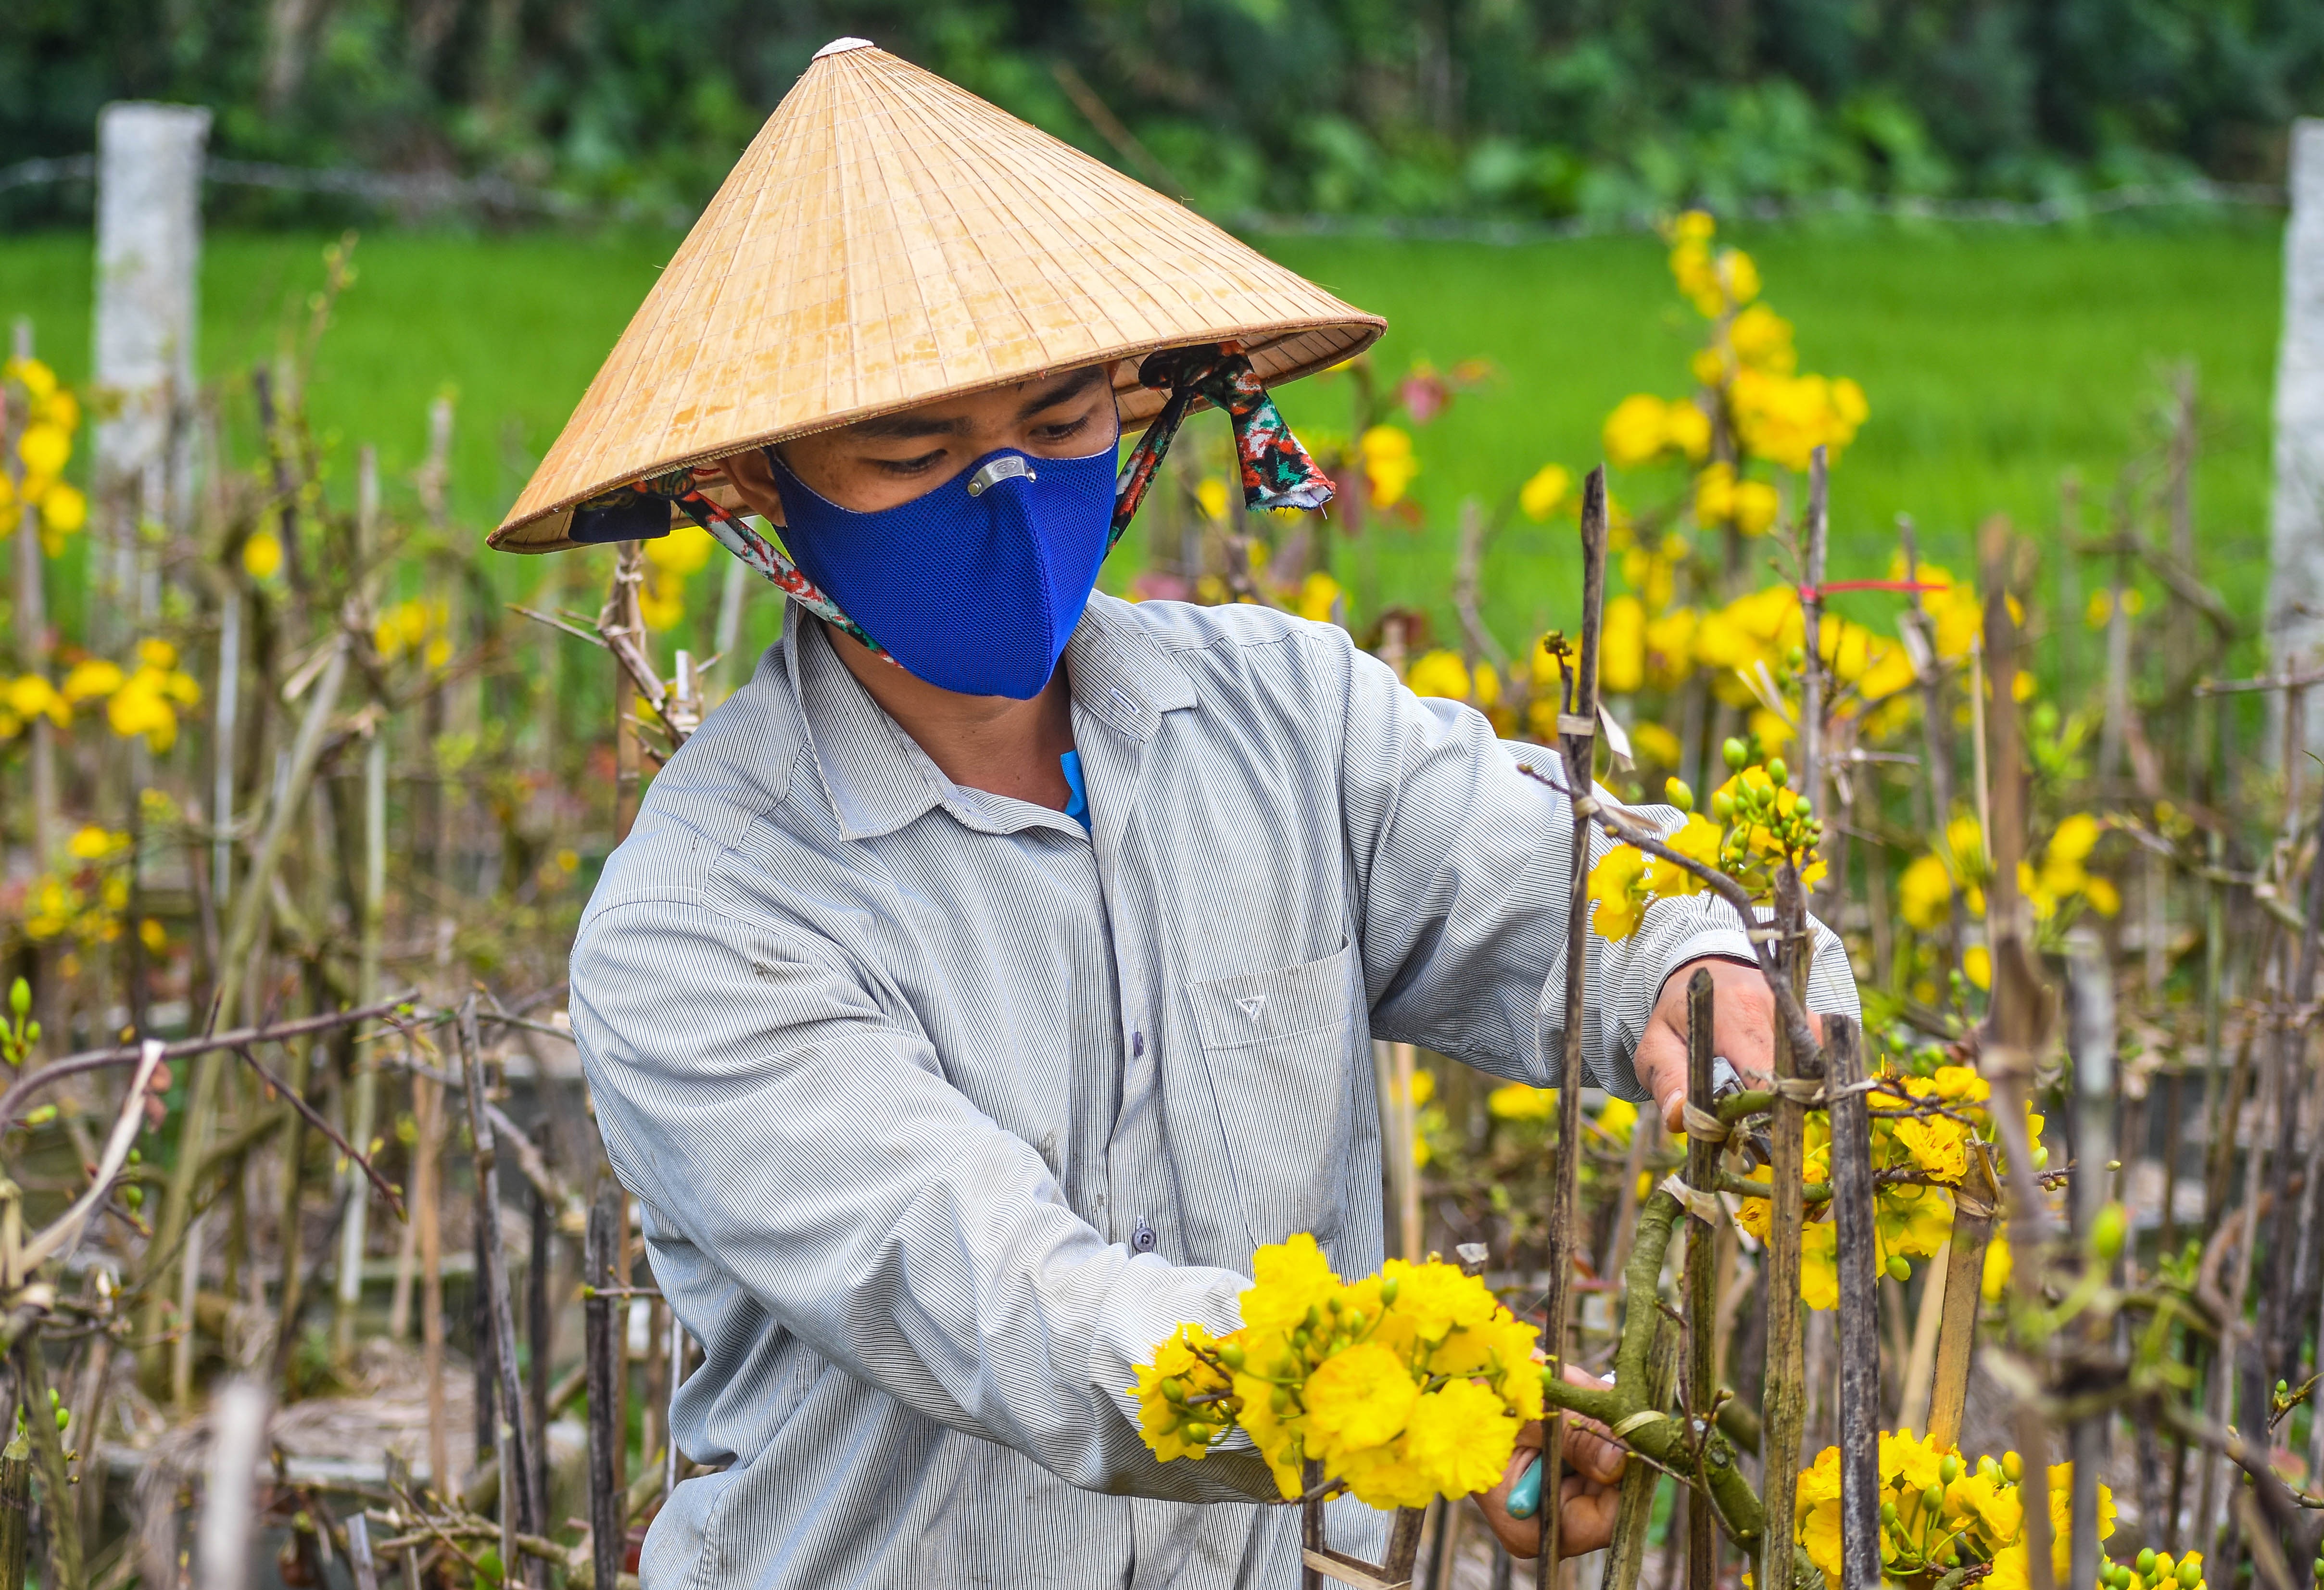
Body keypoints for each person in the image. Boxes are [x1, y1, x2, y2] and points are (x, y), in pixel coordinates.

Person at [492, 38, 1858, 1590]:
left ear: (1141, 412)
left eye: (1062, 419)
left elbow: (1591, 893)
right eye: (912, 449)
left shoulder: (1291, 721)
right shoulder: (704, 923)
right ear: (756, 488)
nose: (1003, 488)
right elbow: (1006, 1304)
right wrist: (1390, 1389)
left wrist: (1705, 973)